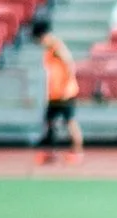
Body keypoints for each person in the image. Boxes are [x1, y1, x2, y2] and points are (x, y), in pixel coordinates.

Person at [33, 20, 82, 165]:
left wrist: (67, 84)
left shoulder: (56, 46)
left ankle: (77, 153)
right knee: (49, 122)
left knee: (70, 122)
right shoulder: (49, 50)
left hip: (65, 93)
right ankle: (50, 152)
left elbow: (69, 63)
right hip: (54, 94)